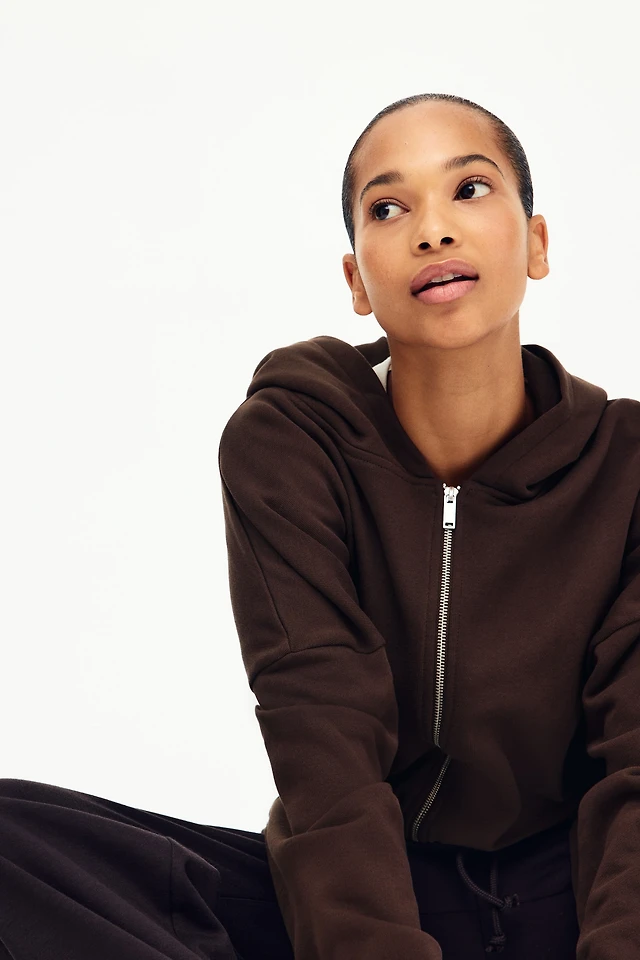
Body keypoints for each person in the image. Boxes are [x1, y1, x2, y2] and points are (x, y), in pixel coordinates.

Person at [0, 93, 638, 960]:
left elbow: (634, 763)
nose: (433, 230)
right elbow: (321, 734)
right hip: (359, 890)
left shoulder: (625, 465)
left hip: (580, 892)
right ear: (356, 282)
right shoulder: (290, 442)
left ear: (536, 244)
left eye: (470, 189)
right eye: (389, 208)